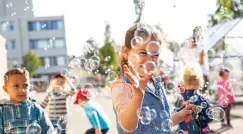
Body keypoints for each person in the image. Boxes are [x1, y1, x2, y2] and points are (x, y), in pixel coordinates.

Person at [111, 23, 198, 134]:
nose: (149, 59)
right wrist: (138, 96)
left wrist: (181, 115)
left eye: (155, 54)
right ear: (126, 52)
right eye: (143, 52)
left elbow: (162, 123)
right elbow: (127, 126)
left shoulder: (156, 83)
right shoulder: (121, 87)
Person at [0, 68, 55, 134]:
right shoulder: (2, 111)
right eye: (16, 86)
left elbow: (49, 130)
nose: (22, 90)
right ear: (6, 89)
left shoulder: (36, 109)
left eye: (25, 86)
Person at [176, 66, 212, 134]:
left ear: (184, 81)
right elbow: (209, 116)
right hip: (201, 131)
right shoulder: (201, 98)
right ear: (199, 81)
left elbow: (176, 117)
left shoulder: (180, 98)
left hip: (185, 131)